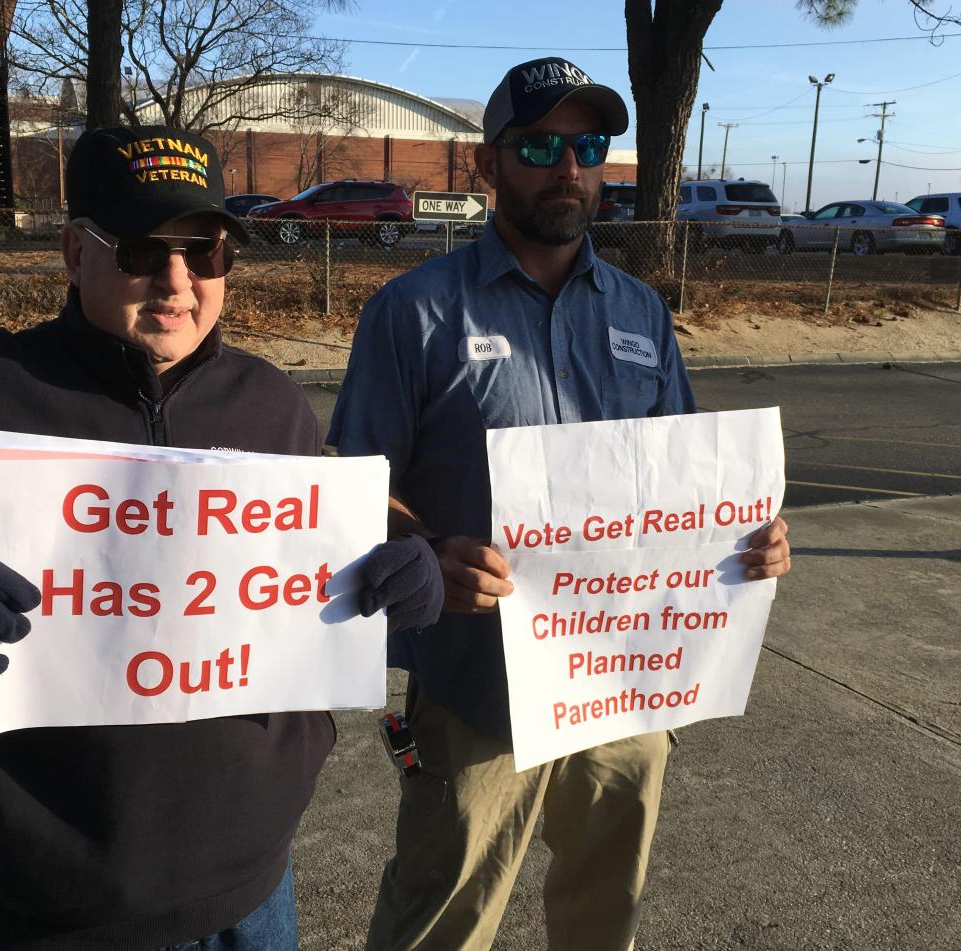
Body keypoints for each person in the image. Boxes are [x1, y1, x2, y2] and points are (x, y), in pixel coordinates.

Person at [0, 125, 441, 951]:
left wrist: (394, 578)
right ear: (72, 252)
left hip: (254, 891)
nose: (176, 281)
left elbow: (308, 579)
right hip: (50, 916)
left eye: (204, 252)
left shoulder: (273, 406)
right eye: (140, 249)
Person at [328, 59, 792, 951]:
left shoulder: (642, 312)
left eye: (588, 145)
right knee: (439, 921)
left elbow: (686, 486)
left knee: (601, 913)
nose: (568, 167)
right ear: (485, 164)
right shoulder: (412, 312)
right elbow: (353, 481)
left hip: (623, 687)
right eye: (540, 145)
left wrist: (750, 541)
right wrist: (426, 553)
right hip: (475, 693)